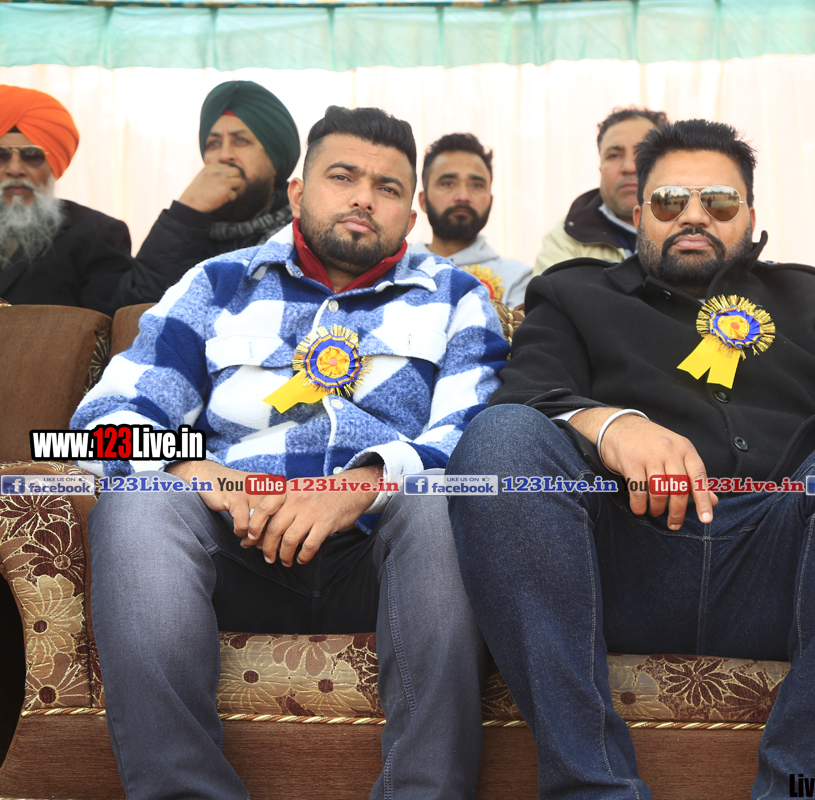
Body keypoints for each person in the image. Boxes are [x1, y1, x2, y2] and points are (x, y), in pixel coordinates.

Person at [447, 119, 815, 797]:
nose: (693, 216)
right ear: (638, 215)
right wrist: (614, 426)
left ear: (749, 215)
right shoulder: (575, 294)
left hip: (789, 564)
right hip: (623, 558)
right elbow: (524, 399)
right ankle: (591, 787)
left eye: (719, 202)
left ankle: (807, 783)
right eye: (669, 202)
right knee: (500, 439)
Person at [72, 105, 509, 800]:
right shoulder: (214, 285)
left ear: (411, 215)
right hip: (235, 550)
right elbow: (94, 428)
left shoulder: (457, 298)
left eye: (388, 188)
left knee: (438, 511)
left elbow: (476, 433)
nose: (364, 198)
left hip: (381, 558)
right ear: (299, 192)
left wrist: (362, 484)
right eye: (343, 177)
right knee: (138, 505)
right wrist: (193, 467)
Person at [111, 80, 300, 307]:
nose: (224, 155)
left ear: (275, 160)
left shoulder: (303, 231)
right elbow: (133, 309)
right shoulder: (186, 229)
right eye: (214, 143)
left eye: (240, 141)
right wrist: (185, 213)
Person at [0, 85, 134, 316]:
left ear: (54, 163)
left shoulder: (98, 234)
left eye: (32, 155)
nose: (14, 169)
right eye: (1, 154)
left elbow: (106, 327)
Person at [533, 106, 668, 274]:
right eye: (614, 155)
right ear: (600, 168)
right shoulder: (565, 240)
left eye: (643, 154)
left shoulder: (693, 225)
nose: (629, 167)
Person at [409, 132, 532, 307]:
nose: (463, 196)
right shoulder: (393, 266)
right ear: (423, 201)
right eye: (448, 183)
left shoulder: (519, 279)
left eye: (476, 185)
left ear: (490, 201)